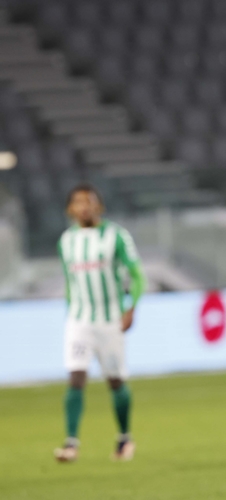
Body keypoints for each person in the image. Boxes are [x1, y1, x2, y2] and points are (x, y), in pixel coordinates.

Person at [53, 184, 147, 462]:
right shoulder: (66, 241)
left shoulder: (116, 236)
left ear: (99, 206)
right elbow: (70, 283)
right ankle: (71, 444)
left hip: (110, 320)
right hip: (79, 321)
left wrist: (131, 307)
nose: (85, 207)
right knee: (76, 376)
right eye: (79, 202)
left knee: (116, 381)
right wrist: (70, 312)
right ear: (70, 209)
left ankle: (124, 438)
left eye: (89, 201)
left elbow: (137, 275)